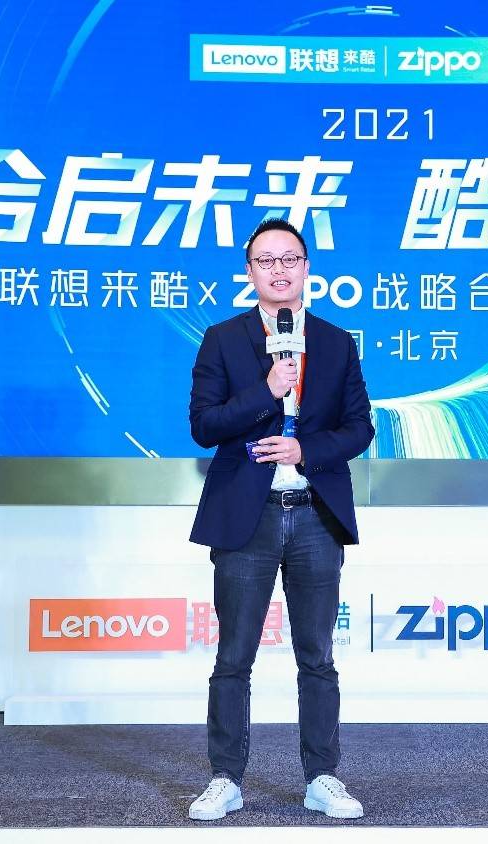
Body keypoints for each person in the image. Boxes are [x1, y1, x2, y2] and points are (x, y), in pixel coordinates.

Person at [186, 218, 374, 821]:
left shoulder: (336, 343)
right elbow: (204, 425)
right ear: (249, 273)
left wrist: (304, 450)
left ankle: (322, 777)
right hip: (248, 518)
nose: (279, 270)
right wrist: (267, 391)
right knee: (233, 657)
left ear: (306, 268)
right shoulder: (222, 339)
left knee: (317, 656)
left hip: (315, 515)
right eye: (266, 261)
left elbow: (360, 428)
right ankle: (225, 778)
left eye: (289, 258)